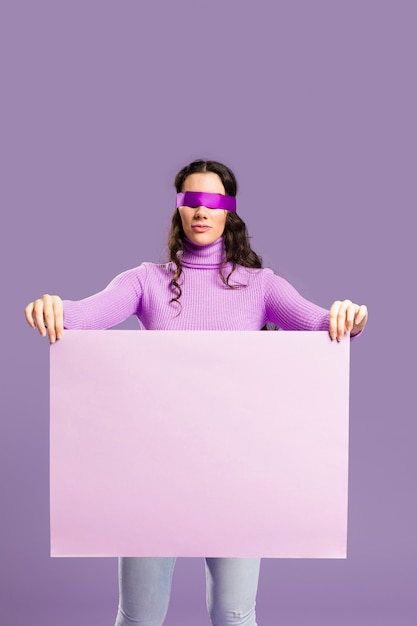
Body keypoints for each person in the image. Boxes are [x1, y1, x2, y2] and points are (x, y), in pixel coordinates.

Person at [25, 159, 368, 626]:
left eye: (214, 202)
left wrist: (348, 315)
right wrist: (54, 307)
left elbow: (322, 324)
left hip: (236, 473)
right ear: (179, 211)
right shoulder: (145, 280)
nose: (202, 212)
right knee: (139, 618)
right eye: (191, 202)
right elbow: (85, 315)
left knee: (234, 614)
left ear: (230, 212)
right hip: (152, 472)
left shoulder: (261, 286)